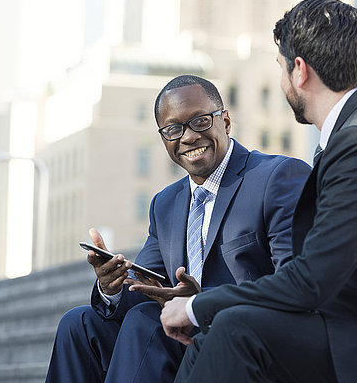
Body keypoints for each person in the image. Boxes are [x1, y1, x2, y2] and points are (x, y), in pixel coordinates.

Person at [162, 0, 357, 383]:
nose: (281, 79)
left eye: (280, 68)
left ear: (299, 71)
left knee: (235, 329)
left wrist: (195, 307)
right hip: (347, 321)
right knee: (223, 331)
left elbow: (311, 281)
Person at [45, 75, 311, 383]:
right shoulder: (165, 204)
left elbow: (293, 281)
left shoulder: (276, 177)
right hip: (178, 338)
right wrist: (112, 287)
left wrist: (199, 302)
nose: (187, 137)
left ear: (225, 121)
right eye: (173, 129)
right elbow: (147, 287)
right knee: (78, 324)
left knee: (144, 322)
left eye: (199, 121)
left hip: (242, 337)